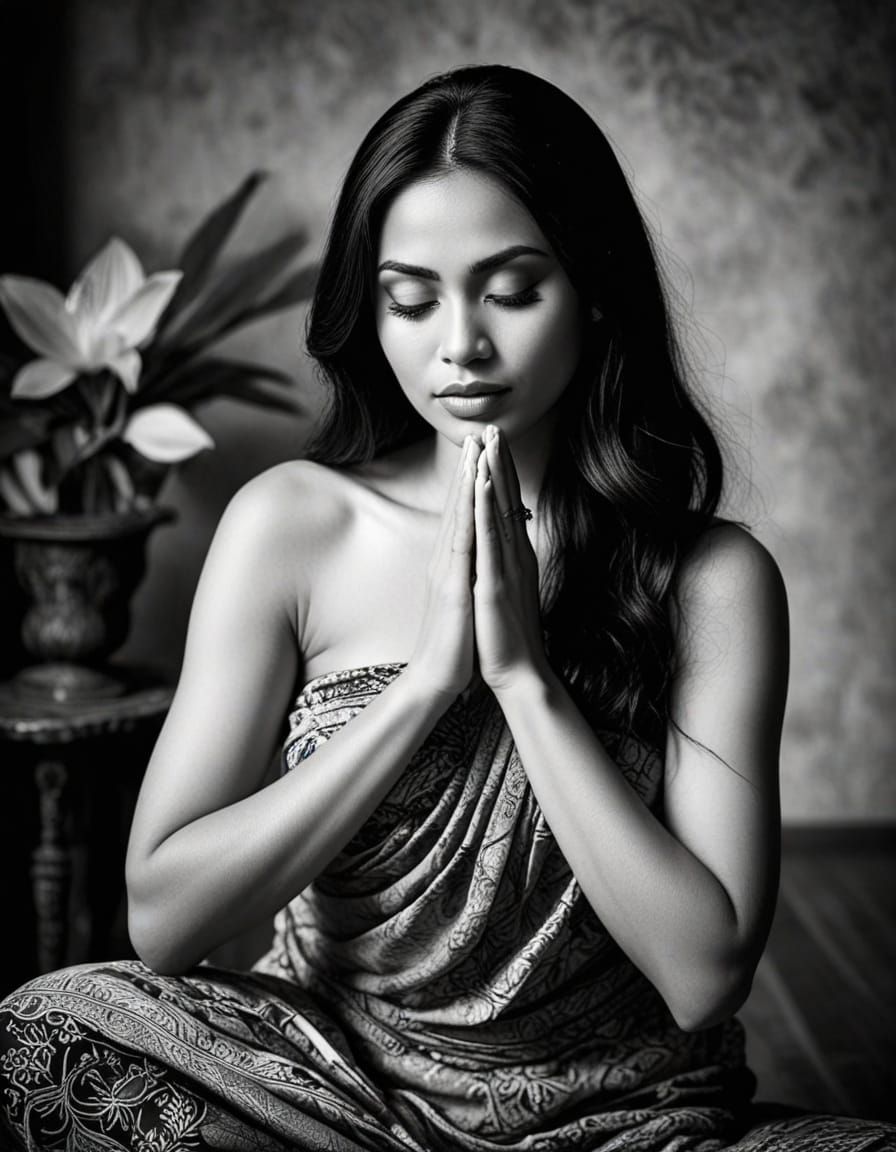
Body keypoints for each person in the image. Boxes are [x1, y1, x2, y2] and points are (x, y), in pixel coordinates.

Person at [1, 64, 892, 1152]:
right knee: (42, 1037)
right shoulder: (291, 526)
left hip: (620, 1124)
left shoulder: (708, 579)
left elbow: (703, 975)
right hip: (333, 1096)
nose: (458, 344)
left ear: (594, 288)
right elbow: (167, 918)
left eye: (511, 289)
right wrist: (427, 682)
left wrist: (523, 678)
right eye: (411, 297)